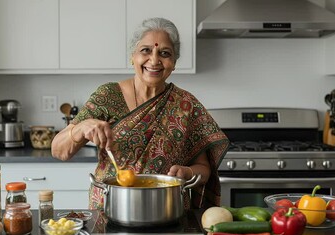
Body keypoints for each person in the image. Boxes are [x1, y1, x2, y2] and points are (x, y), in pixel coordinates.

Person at [51, 17, 229, 210]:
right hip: (110, 207)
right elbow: (58, 150)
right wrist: (80, 129)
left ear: (174, 62)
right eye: (145, 50)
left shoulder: (186, 105)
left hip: (166, 209)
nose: (154, 60)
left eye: (164, 53)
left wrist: (186, 172)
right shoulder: (107, 95)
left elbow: (204, 170)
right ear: (132, 56)